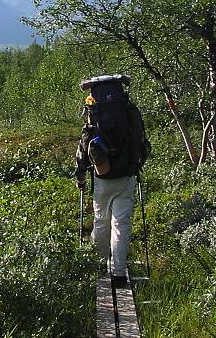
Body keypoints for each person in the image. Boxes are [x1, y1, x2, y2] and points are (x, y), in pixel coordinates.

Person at [74, 75, 148, 289]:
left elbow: (84, 147)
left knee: (101, 220)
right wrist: (137, 164)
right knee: (121, 224)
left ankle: (97, 266)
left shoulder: (94, 116)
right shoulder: (128, 112)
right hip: (127, 174)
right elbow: (140, 140)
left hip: (102, 175)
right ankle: (118, 272)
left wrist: (80, 176)